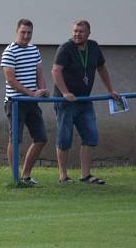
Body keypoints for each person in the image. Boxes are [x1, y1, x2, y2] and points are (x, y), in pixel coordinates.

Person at [50, 20, 119, 185]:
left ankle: (86, 175)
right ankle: (63, 175)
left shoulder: (94, 47)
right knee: (64, 138)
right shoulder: (65, 48)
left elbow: (101, 68)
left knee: (91, 136)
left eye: (81, 31)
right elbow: (56, 70)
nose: (77, 34)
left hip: (85, 100)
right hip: (66, 101)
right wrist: (65, 92)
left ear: (88, 33)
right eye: (75, 31)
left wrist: (110, 90)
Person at [1, 19, 49, 185]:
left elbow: (40, 74)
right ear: (17, 31)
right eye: (23, 32)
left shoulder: (34, 50)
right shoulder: (9, 51)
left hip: (32, 102)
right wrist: (31, 93)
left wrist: (42, 90)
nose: (26, 36)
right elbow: (10, 79)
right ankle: (16, 178)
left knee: (41, 138)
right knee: (15, 140)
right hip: (15, 102)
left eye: (29, 33)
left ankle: (26, 175)